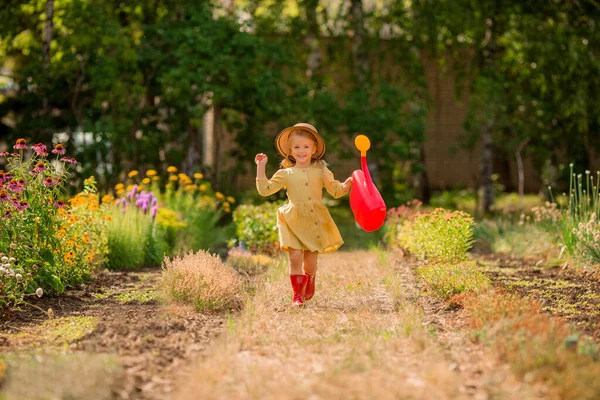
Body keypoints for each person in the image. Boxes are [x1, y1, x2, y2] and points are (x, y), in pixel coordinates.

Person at [255, 123, 353, 306]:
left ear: (314, 149)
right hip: (292, 219)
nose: (301, 151)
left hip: (313, 220)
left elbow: (336, 191)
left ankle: (310, 276)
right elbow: (264, 189)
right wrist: (261, 167)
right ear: (290, 151)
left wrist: (347, 184)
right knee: (294, 257)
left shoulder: (321, 171)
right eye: (297, 147)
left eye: (306, 147)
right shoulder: (285, 173)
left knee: (309, 263)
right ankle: (297, 296)